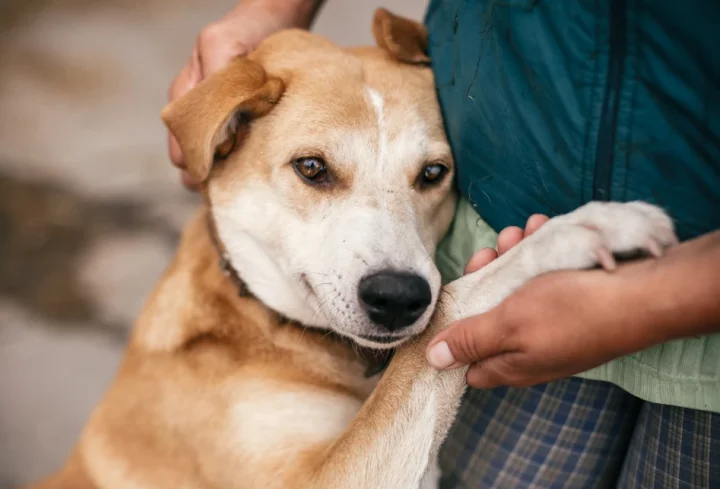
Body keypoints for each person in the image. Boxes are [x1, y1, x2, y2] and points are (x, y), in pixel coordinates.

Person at [167, 1, 720, 487]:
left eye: (429, 174)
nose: (390, 264)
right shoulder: (194, 361)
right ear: (226, 135)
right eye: (315, 170)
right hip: (527, 248)